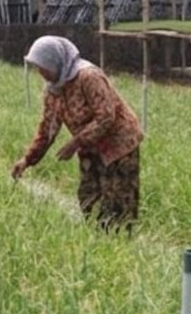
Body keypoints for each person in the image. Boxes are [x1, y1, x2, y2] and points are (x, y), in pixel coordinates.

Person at [11, 36, 143, 233]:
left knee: (117, 202)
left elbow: (106, 116)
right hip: (90, 146)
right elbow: (47, 130)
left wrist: (75, 143)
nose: (40, 72)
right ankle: (98, 243)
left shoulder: (88, 77)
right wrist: (27, 160)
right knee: (88, 197)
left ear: (55, 62)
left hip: (119, 145)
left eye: (43, 66)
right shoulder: (53, 91)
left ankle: (120, 244)